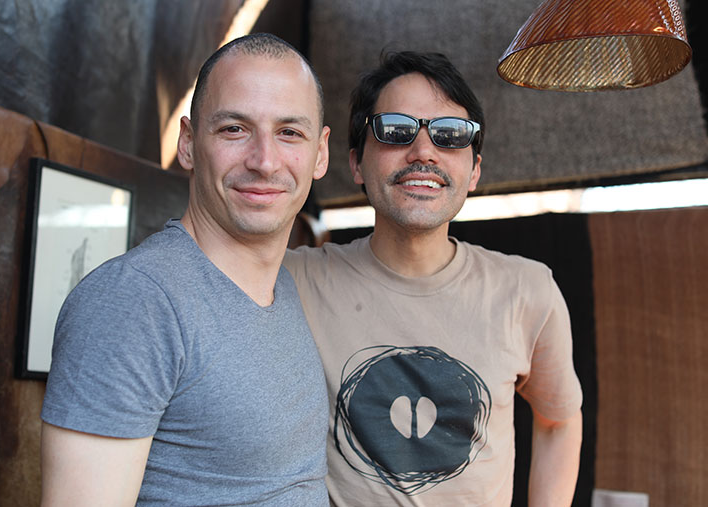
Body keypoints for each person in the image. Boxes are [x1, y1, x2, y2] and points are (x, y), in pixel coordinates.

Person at [40, 33, 331, 506]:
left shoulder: (284, 285)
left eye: (289, 133)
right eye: (234, 129)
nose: (264, 160)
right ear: (189, 143)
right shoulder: (134, 303)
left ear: (320, 154)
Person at [284, 51, 583, 506]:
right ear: (356, 163)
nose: (424, 151)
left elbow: (559, 420)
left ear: (475, 169)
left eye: (450, 135)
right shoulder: (293, 280)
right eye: (396, 130)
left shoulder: (528, 291)